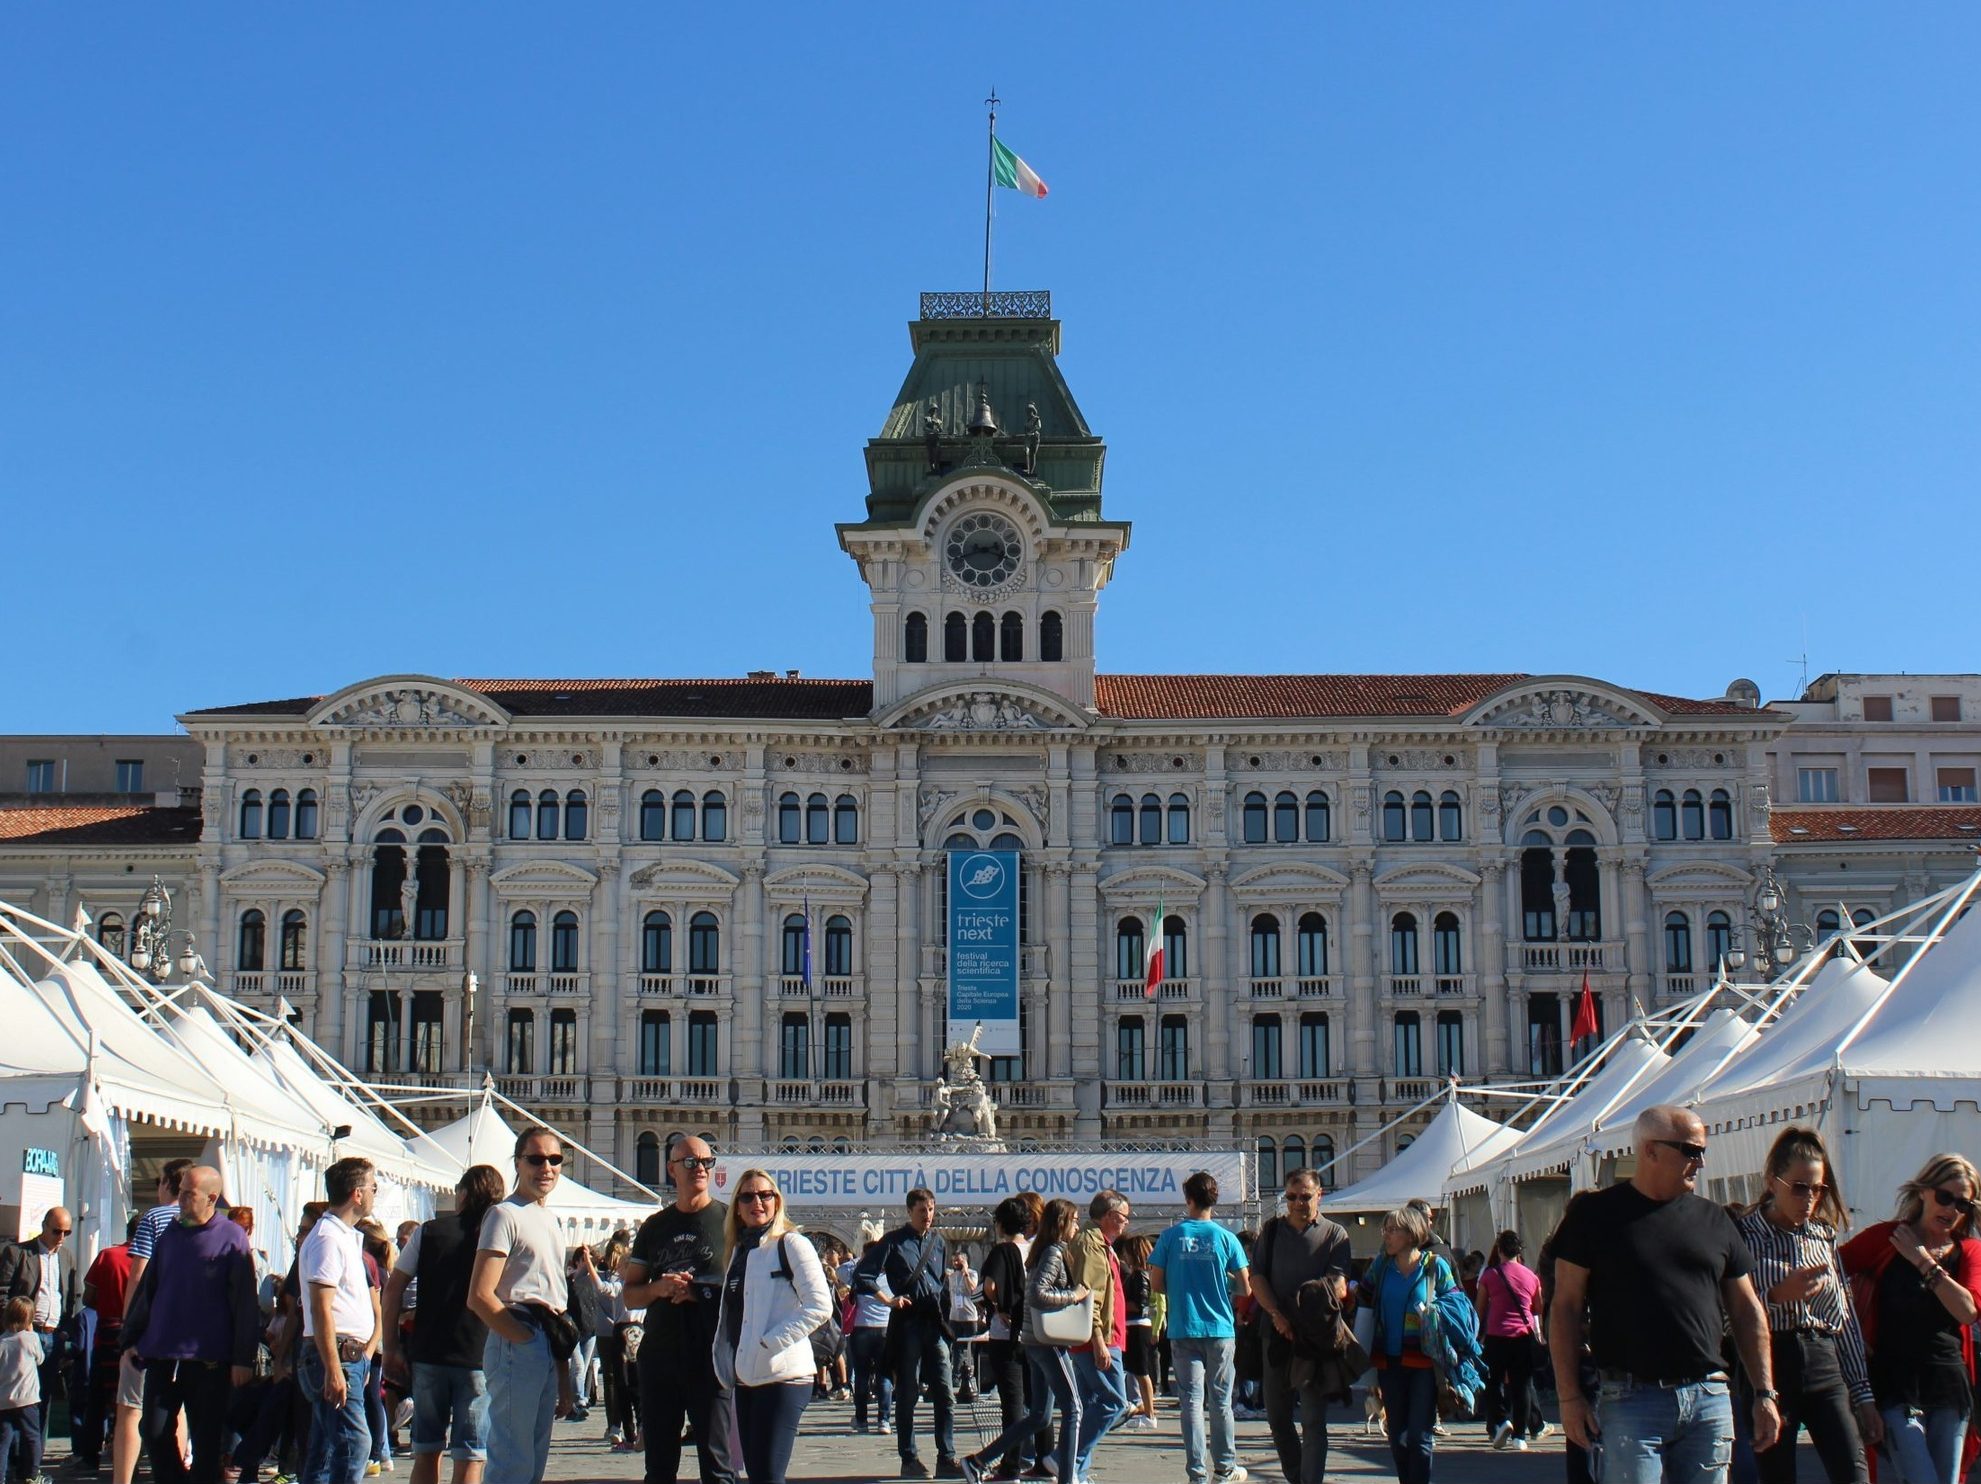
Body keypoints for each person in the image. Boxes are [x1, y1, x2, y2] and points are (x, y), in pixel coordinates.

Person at [1549, 1105, 1781, 1484]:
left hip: (1708, 1393)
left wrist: (1764, 1393)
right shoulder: (1594, 1215)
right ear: (1650, 1151)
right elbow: (1565, 1308)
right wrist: (1569, 1397)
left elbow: (1746, 1309)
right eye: (1691, 1150)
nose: (1700, 1162)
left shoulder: (1715, 1219)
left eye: (1703, 1151)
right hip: (1630, 1399)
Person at [1730, 1127, 1877, 1484]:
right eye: (1799, 1187)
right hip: (1769, 1363)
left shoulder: (1821, 1235)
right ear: (1772, 1181)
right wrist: (1775, 1296)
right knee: (1776, 1474)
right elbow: (1726, 1316)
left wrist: (1863, 1394)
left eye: (1817, 1189)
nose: (1809, 1199)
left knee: (1854, 1472)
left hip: (1823, 1359)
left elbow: (1843, 1318)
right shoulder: (1743, 1234)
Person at [1839, 1152, 1981, 1484]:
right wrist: (1849, 1330)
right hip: (1894, 1384)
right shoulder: (1887, 1238)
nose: (1952, 1210)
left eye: (1962, 1204)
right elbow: (1831, 1271)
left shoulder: (1968, 1250)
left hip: (1948, 1384)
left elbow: (1968, 1310)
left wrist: (1923, 1261)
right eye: (1945, 1197)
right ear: (1922, 1191)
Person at [121, 1165, 260, 1484]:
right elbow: (149, 1287)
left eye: (189, 1194)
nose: (181, 1199)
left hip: (208, 1358)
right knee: (153, 1430)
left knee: (206, 1442)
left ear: (211, 1198)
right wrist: (131, 1337)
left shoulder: (232, 1237)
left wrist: (243, 1358)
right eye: (181, 1191)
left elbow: (245, 1302)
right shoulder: (171, 1232)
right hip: (163, 1353)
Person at [621, 1134, 733, 1484]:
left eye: (706, 1162)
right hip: (661, 1357)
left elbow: (746, 1289)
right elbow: (630, 1295)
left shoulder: (729, 1221)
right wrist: (658, 1288)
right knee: (659, 1466)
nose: (700, 1168)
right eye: (690, 1162)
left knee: (717, 1466)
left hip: (710, 1356)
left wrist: (699, 1292)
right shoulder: (655, 1226)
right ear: (672, 1169)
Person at [466, 1127, 574, 1484]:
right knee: (513, 1459)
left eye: (555, 1159)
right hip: (520, 1335)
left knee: (533, 1459)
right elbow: (480, 1294)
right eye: (536, 1159)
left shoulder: (549, 1218)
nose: (547, 1167)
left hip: (547, 1338)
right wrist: (522, 1338)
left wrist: (561, 1372)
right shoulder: (504, 1214)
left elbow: (555, 1297)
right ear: (518, 1163)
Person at [384, 1164, 504, 1484]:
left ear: (462, 1194)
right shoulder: (500, 1234)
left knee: (426, 1450)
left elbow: (393, 1288)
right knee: (471, 1456)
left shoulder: (429, 1231)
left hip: (429, 1351)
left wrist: (391, 1345)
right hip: (479, 1352)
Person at [710, 1171, 829, 1484]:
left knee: (768, 1476)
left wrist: (771, 1342)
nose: (757, 1202)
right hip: (747, 1376)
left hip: (783, 1375)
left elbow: (820, 1305)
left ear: (777, 1201)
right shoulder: (738, 1252)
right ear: (737, 1207)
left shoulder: (792, 1244)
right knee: (757, 1474)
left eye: (765, 1195)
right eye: (747, 1196)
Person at [959, 1198, 1087, 1484]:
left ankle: (980, 1461)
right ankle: (1064, 1476)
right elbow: (1038, 1293)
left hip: (1028, 1336)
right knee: (1072, 1408)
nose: (1078, 1227)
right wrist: (1074, 1295)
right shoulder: (1051, 1251)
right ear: (1062, 1222)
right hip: (1045, 1339)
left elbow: (987, 1289)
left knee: (1038, 1414)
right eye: (1075, 1221)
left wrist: (998, 1307)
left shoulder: (1036, 1250)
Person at [1247, 1167, 1351, 1484]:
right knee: (1277, 1416)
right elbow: (1257, 1277)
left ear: (1319, 1195)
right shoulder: (1271, 1231)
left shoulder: (1335, 1234)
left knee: (1313, 1419)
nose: (1297, 1204)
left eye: (1305, 1197)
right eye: (1291, 1197)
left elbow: (1339, 1285)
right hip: (1276, 1332)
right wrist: (1277, 1315)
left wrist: (1307, 1308)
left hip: (1314, 1338)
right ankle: (1296, 1476)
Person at [1149, 1171, 1251, 1484]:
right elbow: (1246, 1287)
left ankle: (1197, 1474)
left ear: (1188, 1199)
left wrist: (1182, 1283)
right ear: (1214, 1200)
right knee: (1221, 1402)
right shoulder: (1227, 1238)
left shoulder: (1170, 1237)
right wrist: (1222, 1282)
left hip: (1184, 1327)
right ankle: (1225, 1467)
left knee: (1191, 1402)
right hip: (1220, 1329)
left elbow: (1156, 1283)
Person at [853, 1189, 958, 1479]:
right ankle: (909, 1458)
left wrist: (946, 1320)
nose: (928, 1216)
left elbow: (941, 1283)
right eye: (922, 1210)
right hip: (908, 1323)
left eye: (931, 1209)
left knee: (945, 1392)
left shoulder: (938, 1242)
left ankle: (946, 1457)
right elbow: (863, 1274)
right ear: (909, 1211)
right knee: (908, 1392)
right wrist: (888, 1300)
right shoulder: (893, 1241)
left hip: (934, 1323)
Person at [1357, 1204, 1458, 1484]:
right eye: (1385, 1230)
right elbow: (1363, 1297)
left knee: (1419, 1436)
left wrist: (1434, 1312)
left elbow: (1456, 1303)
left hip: (1424, 1363)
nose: (1386, 1236)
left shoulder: (1434, 1266)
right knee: (1397, 1434)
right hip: (1388, 1363)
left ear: (1411, 1234)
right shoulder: (1381, 1266)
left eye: (1392, 1230)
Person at [300, 1159, 380, 1484]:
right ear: (357, 1193)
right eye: (373, 1187)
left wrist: (364, 1356)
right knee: (354, 1444)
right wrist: (334, 1367)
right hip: (335, 1353)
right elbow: (322, 1308)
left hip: (346, 1354)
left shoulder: (342, 1236)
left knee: (324, 1452)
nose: (374, 1194)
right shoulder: (328, 1238)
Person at [1066, 1192, 1133, 1483]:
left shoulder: (1101, 1244)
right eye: (1123, 1217)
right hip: (1100, 1339)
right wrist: (1098, 1341)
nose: (1126, 1223)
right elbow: (1090, 1295)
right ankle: (1065, 1459)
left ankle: (1075, 1472)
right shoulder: (1091, 1243)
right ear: (1108, 1216)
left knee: (1089, 1404)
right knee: (1114, 1402)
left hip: (1102, 1337)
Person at [0, 1206, 76, 1452]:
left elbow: (69, 1297)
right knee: (17, 1399)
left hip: (53, 1336)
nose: (61, 1237)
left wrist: (65, 1329)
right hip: (23, 1336)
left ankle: (34, 1457)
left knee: (43, 1398)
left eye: (67, 1232)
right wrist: (18, 1326)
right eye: (57, 1231)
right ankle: (14, 1456)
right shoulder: (18, 1253)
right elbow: (3, 1292)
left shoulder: (66, 1257)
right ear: (44, 1227)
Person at [76, 1214, 138, 1474]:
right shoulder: (153, 1261)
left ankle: (90, 1456)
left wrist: (108, 1302)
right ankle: (130, 1461)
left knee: (99, 1396)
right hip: (139, 1337)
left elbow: (88, 1297)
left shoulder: (108, 1256)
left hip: (108, 1335)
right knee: (134, 1402)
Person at [1474, 1230, 1542, 1452]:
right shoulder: (1531, 1277)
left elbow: (1479, 1309)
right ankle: (1520, 1436)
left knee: (1492, 1382)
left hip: (1496, 1336)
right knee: (1522, 1386)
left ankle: (1502, 1420)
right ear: (1519, 1251)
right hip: (1523, 1336)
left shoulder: (1490, 1275)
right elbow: (1538, 1308)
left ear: (1500, 1250)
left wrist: (1476, 1335)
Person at [593, 1233, 642, 1452]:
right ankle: (641, 1429)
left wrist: (589, 1265)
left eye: (621, 1266)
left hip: (624, 1331)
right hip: (639, 1332)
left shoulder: (623, 1285)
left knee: (623, 1384)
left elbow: (602, 1288)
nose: (618, 1269)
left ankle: (630, 1434)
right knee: (636, 1383)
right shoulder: (642, 1286)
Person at [841, 1241, 894, 1437]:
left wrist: (860, 1260)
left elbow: (840, 1270)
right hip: (884, 1329)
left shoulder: (859, 1275)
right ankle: (884, 1419)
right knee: (884, 1376)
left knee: (862, 1375)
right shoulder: (890, 1277)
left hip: (861, 1328)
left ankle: (862, 1419)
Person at [355, 1221, 395, 1477]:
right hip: (378, 1339)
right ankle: (381, 1453)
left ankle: (376, 1453)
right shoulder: (383, 1268)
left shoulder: (372, 1267)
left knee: (370, 1397)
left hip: (371, 1340)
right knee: (373, 1398)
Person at [0, 1297, 46, 1484]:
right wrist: (31, 1332)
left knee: (3, 1441)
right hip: (27, 1399)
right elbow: (40, 1359)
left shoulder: (2, 1342)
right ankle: (32, 1474)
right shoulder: (31, 1339)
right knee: (32, 1436)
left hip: (4, 1400)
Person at [1117, 1233, 1158, 1431]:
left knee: (1142, 1372)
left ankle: (1150, 1414)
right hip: (1135, 1324)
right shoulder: (1139, 1274)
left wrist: (1118, 1306)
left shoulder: (1140, 1275)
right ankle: (1144, 1409)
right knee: (1136, 1370)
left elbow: (1140, 1303)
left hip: (1138, 1325)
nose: (1124, 1255)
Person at [563, 1245, 601, 1422]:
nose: (589, 1264)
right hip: (573, 1330)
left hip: (590, 1329)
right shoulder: (569, 1282)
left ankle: (575, 1404)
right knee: (578, 1367)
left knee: (583, 1369)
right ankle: (579, 1401)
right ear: (578, 1261)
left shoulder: (595, 1280)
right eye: (585, 1260)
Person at [946, 1253, 982, 1403]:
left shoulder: (972, 1273)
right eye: (953, 1260)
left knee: (972, 1348)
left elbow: (973, 1289)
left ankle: (973, 1378)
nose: (955, 1263)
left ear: (965, 1261)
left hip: (969, 1317)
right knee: (956, 1348)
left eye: (958, 1261)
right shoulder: (952, 1276)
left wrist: (965, 1272)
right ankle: (957, 1378)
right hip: (955, 1316)